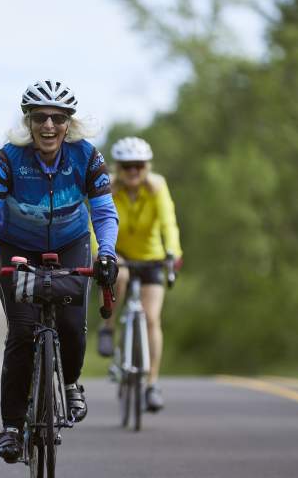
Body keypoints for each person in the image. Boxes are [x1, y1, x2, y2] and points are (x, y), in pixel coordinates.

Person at [0, 80, 119, 463]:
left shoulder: (86, 157)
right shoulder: (9, 159)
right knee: (22, 331)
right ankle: (10, 428)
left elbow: (103, 212)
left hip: (71, 243)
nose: (49, 125)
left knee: (71, 326)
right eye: (40, 117)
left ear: (69, 123)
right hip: (17, 247)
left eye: (57, 117)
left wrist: (107, 252)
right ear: (29, 122)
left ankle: (70, 383)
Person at [96, 136, 182, 412]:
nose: (133, 171)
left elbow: (168, 222)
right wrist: (102, 251)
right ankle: (108, 327)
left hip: (152, 258)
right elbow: (94, 220)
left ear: (147, 166)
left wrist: (173, 253)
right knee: (117, 276)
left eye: (139, 166)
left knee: (151, 319)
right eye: (127, 166)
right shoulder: (106, 186)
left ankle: (152, 384)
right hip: (118, 254)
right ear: (118, 167)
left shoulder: (157, 187)